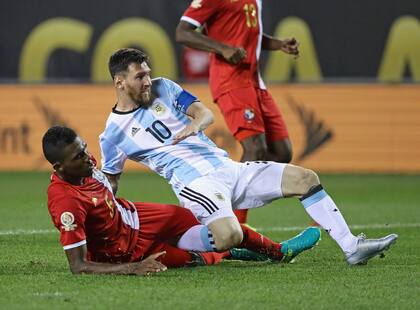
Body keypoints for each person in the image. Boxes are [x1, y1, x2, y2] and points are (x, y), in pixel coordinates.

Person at [100, 48, 397, 266]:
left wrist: (195, 125)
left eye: (148, 73)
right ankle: (177, 245)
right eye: (140, 77)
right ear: (119, 82)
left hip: (228, 168)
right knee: (229, 236)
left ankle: (351, 247)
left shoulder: (164, 87)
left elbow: (204, 113)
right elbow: (111, 182)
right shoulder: (113, 134)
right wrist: (106, 219)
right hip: (196, 185)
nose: (148, 80)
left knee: (305, 179)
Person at [43, 126, 321, 275]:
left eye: (84, 149)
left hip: (137, 216)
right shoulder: (65, 203)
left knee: (205, 222)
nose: (87, 158)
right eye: (77, 157)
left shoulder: (84, 165)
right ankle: (231, 252)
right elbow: (78, 266)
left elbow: (107, 182)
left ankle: (278, 251)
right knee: (199, 259)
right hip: (122, 251)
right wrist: (133, 268)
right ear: (59, 168)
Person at [176, 0, 299, 224]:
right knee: (255, 149)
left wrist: (278, 43)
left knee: (282, 153)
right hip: (231, 81)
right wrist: (222, 48)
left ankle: (215, 194)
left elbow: (247, 35)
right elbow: (183, 32)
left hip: (255, 82)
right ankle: (236, 228)